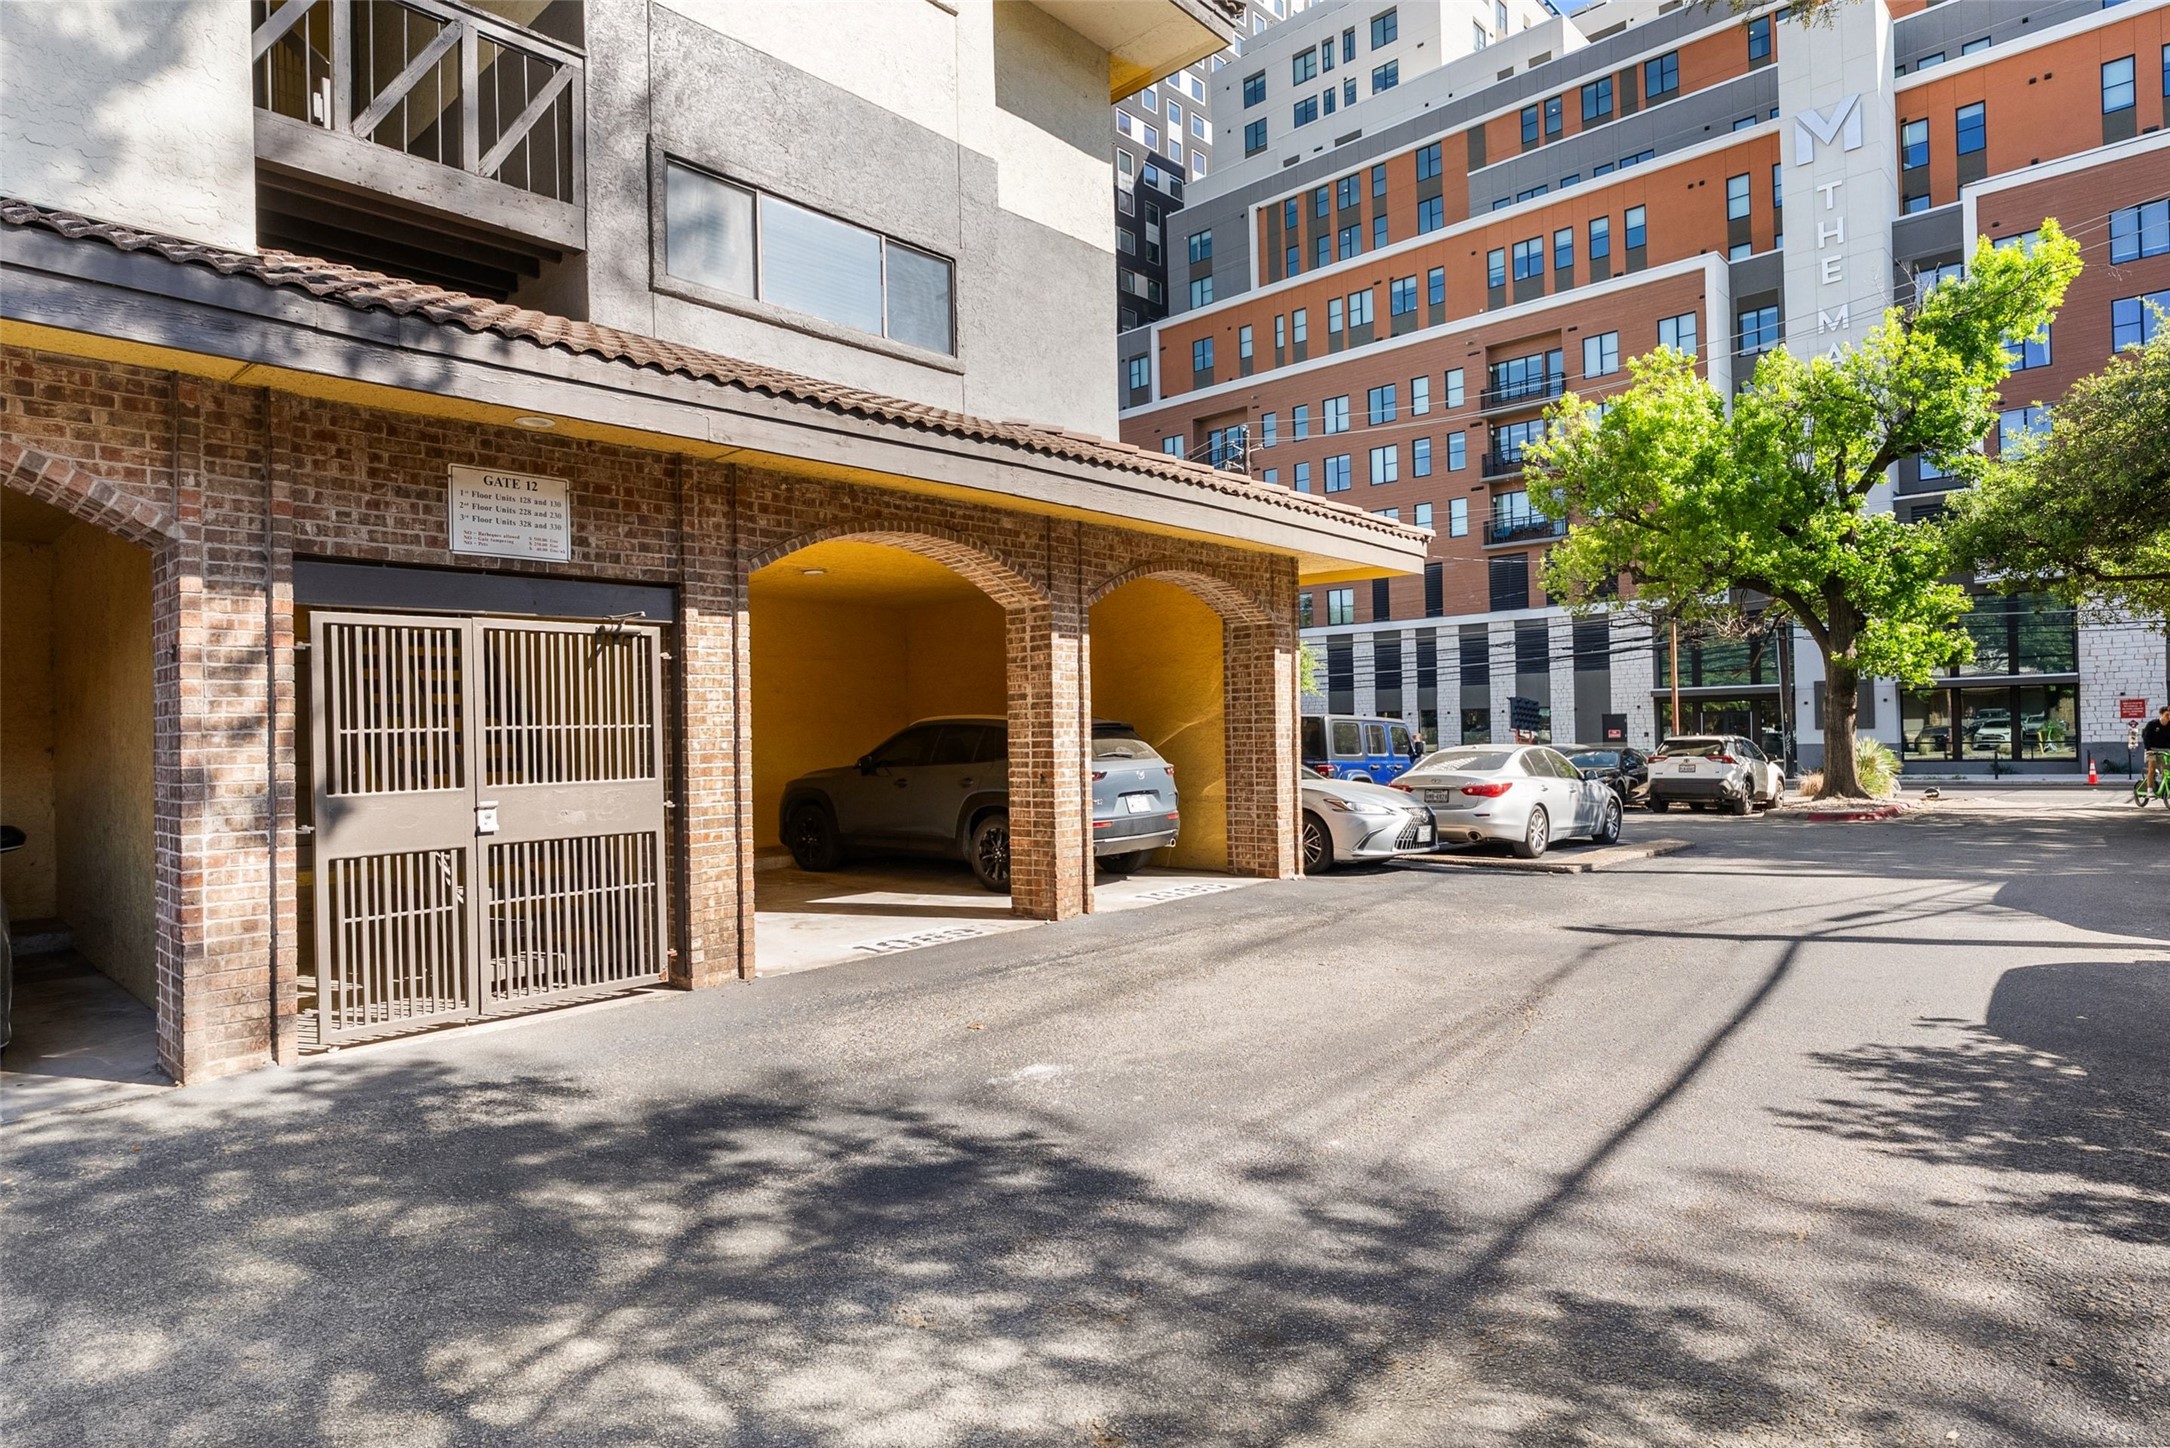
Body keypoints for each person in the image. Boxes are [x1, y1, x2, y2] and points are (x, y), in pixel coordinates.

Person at [2144, 705, 2170, 796]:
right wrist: (2148, 749)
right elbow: (2146, 737)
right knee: (2152, 769)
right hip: (2152, 749)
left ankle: (2164, 789)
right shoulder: (2152, 724)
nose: (2168, 717)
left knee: (2166, 770)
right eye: (2167, 714)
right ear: (2161, 714)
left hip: (2165, 749)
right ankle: (2149, 790)